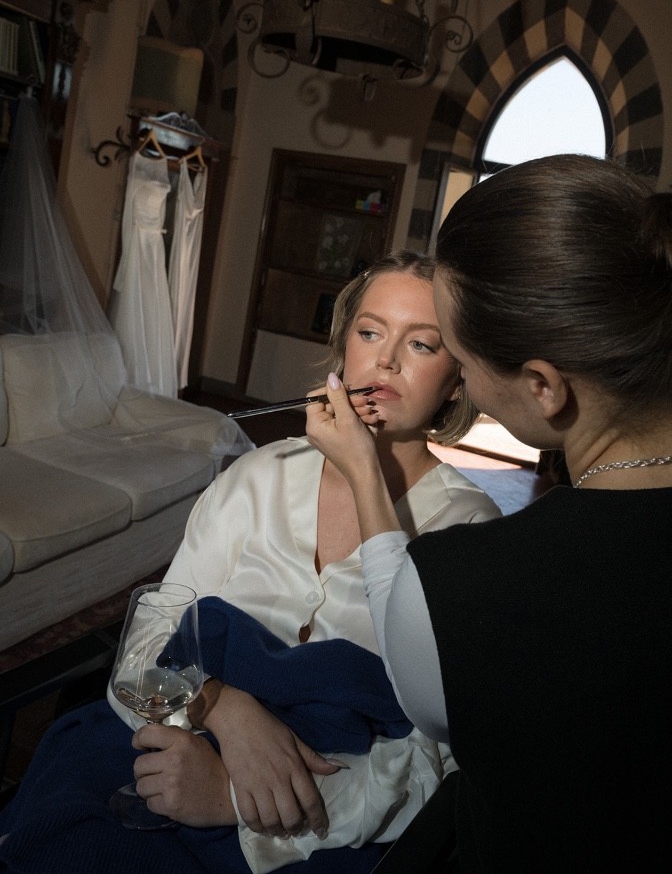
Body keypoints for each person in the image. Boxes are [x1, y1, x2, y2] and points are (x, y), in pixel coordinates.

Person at [0, 250, 500, 874]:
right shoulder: (259, 474)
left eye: (422, 344)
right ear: (343, 347)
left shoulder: (471, 527)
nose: (386, 361)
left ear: (457, 380)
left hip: (325, 827)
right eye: (370, 333)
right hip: (174, 750)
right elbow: (148, 641)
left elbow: (442, 762)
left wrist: (234, 799)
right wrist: (222, 707)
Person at [305, 154, 672, 872]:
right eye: (371, 333)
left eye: (458, 360)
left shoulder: (473, 585)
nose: (466, 383)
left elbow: (412, 651)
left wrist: (364, 473)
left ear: (543, 386)